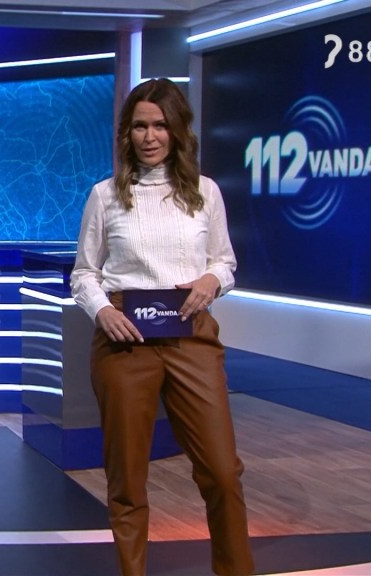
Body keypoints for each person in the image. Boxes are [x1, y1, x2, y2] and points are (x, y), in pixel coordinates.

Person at [70, 78, 253, 576]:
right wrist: (102, 310)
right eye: (139, 126)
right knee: (127, 480)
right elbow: (84, 273)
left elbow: (225, 262)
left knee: (222, 471)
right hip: (125, 341)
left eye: (159, 125)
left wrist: (212, 281)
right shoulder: (105, 196)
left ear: (177, 130)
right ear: (126, 134)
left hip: (191, 335)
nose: (149, 136)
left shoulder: (205, 193)